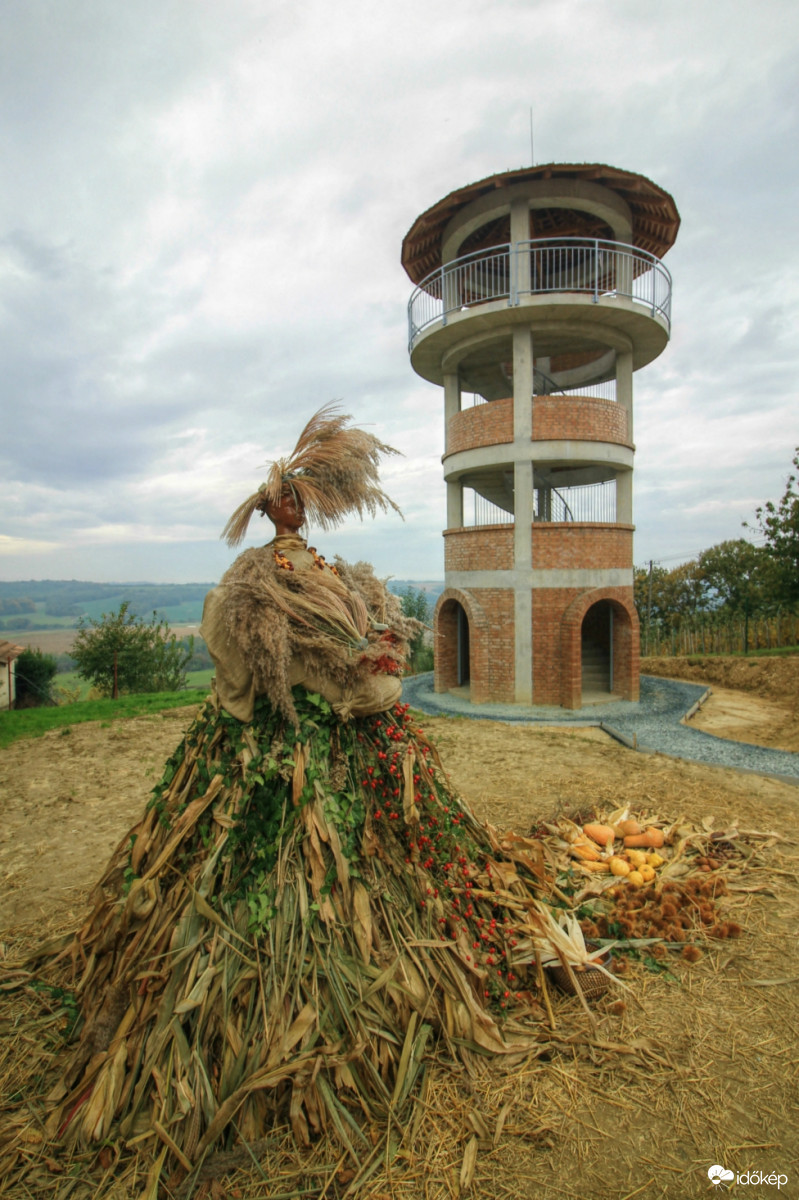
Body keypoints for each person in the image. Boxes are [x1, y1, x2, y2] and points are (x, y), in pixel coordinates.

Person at [4, 406, 550, 1188]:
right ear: (277, 506)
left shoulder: (325, 572)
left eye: (300, 500)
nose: (298, 509)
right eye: (289, 500)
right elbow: (259, 654)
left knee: (388, 864)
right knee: (259, 878)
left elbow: (354, 653)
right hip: (279, 754)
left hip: (339, 742)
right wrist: (336, 679)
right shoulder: (258, 579)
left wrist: (371, 657)